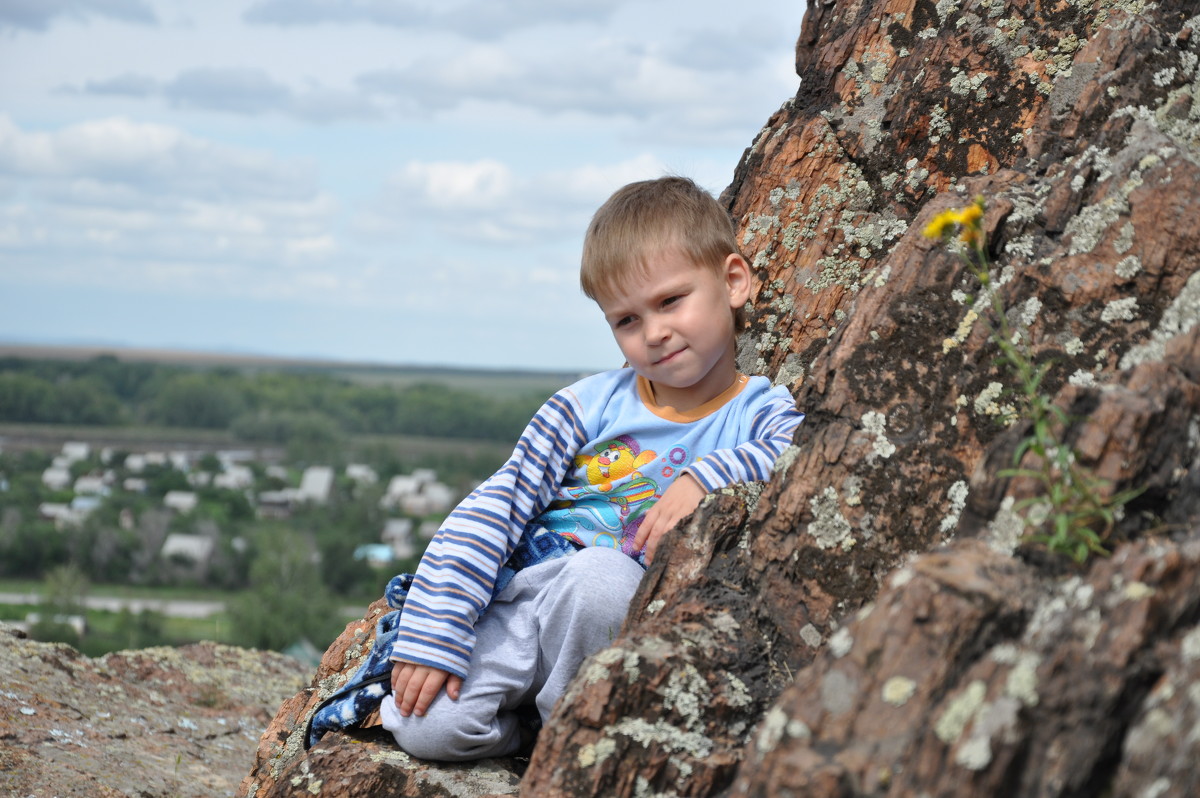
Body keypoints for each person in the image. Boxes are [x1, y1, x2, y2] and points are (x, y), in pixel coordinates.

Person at [379, 175, 805, 761]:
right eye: (625, 320)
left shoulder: (757, 409)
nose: (654, 333)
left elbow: (796, 451)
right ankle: (524, 731)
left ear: (733, 282)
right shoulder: (588, 404)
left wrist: (704, 477)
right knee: (423, 724)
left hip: (614, 609)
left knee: (599, 578)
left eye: (671, 301)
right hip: (529, 600)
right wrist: (436, 631)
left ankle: (568, 735)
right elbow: (496, 505)